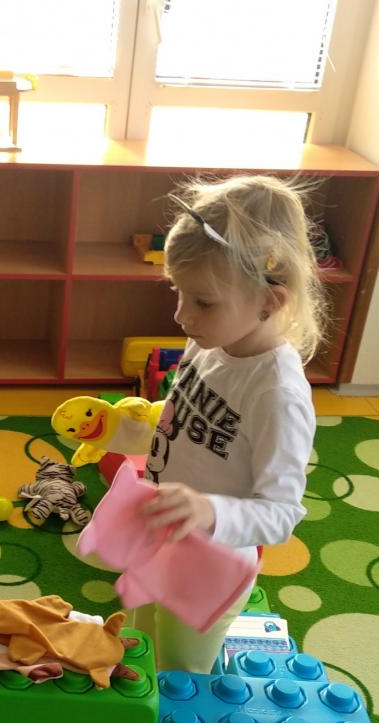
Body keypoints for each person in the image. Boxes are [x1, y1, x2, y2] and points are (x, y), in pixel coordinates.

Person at [134, 176, 324, 672]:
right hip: (160, 540)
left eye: (203, 302)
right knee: (137, 649)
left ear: (270, 300)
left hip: (211, 569)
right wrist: (130, 428)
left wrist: (208, 511)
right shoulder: (210, 342)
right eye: (178, 292)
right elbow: (183, 422)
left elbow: (281, 513)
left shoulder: (277, 394)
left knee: (179, 677)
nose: (181, 315)